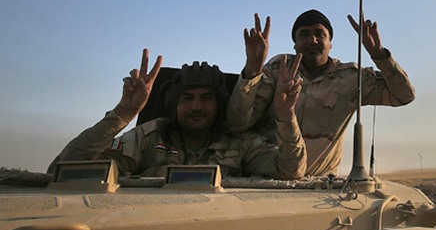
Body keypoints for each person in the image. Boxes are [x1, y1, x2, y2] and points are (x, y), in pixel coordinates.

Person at [49, 49, 306, 179]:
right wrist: (123, 113)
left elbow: (291, 171)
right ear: (174, 104)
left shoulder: (240, 143)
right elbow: (65, 168)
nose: (196, 106)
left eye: (206, 98)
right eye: (187, 98)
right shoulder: (150, 137)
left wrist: (286, 117)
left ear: (220, 105)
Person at [227, 10, 416, 176]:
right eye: (304, 34)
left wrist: (379, 54)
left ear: (330, 43)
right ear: (295, 45)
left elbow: (404, 95)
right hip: (271, 176)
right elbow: (239, 123)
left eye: (320, 34)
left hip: (321, 184)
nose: (313, 40)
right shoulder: (279, 69)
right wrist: (252, 69)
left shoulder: (351, 78)